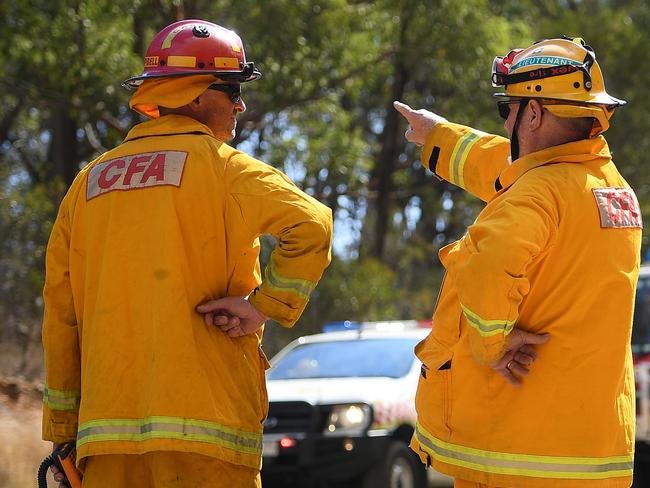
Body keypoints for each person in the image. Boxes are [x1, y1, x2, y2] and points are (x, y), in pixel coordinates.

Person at [41, 19, 333, 487]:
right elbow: (312, 224)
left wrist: (62, 433)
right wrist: (264, 308)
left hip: (106, 442)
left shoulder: (87, 183)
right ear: (195, 94)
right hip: (209, 436)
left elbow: (62, 313)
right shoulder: (225, 170)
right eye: (232, 89)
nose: (240, 104)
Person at [394, 37, 641, 488]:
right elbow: (507, 168)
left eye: (507, 108)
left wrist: (493, 344)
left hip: (515, 449)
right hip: (591, 450)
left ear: (534, 113)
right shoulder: (608, 187)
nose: (506, 119)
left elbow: (488, 265)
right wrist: (438, 137)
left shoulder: (537, 194)